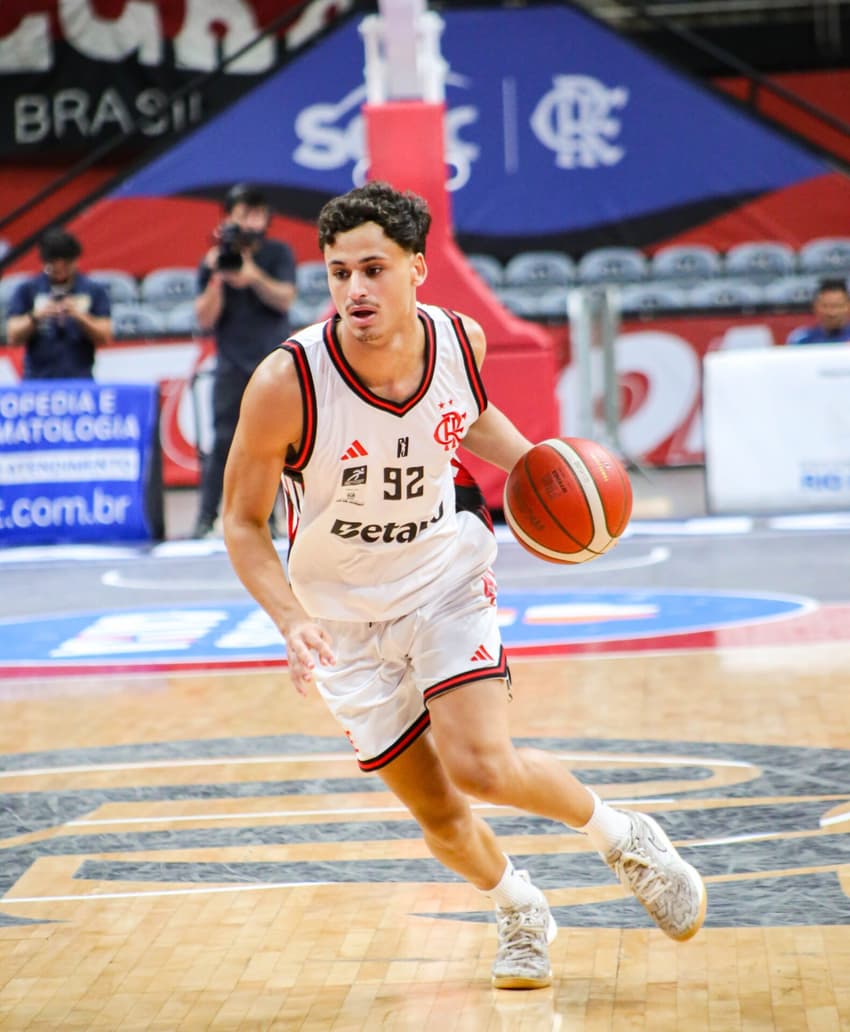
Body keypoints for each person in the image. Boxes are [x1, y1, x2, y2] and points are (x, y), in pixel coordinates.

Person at [222, 182, 707, 989]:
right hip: (341, 618)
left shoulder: (462, 340)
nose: (356, 290)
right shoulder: (287, 383)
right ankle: (520, 906)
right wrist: (287, 620)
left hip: (441, 574)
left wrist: (535, 465)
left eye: (374, 269)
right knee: (442, 819)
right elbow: (241, 522)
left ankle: (626, 838)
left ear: (418, 268)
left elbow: (463, 414)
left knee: (481, 764)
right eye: (340, 274)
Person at [191, 183, 297, 539]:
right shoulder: (215, 258)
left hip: (274, 363)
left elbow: (284, 300)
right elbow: (204, 318)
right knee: (222, 441)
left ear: (266, 217)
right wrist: (218, 277)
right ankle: (205, 519)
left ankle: (275, 520)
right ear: (229, 217)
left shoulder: (278, 253)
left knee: (281, 442)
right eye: (243, 213)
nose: (251, 221)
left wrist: (252, 276)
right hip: (230, 363)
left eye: (256, 213)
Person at [5, 228, 111, 379]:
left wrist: (78, 315)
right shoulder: (28, 289)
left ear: (75, 261)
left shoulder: (92, 290)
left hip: (79, 377)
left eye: (66, 266)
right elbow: (12, 336)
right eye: (54, 268)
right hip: (37, 379)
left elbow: (105, 335)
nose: (60, 272)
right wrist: (38, 315)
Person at [786, 278, 850, 345]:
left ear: (848, 306)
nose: (832, 313)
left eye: (838, 306)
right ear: (815, 307)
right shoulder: (800, 339)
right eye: (826, 306)